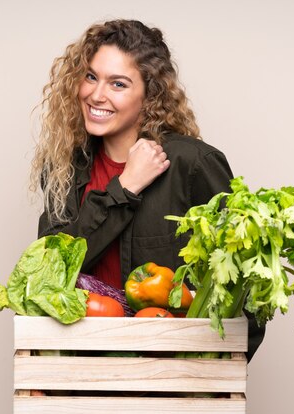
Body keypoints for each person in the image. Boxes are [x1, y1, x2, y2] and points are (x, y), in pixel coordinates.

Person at [30, 19, 264, 360]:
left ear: (149, 94)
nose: (96, 94)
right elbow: (48, 272)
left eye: (118, 84)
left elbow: (248, 285)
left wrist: (219, 379)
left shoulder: (191, 165)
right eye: (91, 76)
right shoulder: (65, 168)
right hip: (83, 371)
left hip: (172, 378)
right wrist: (124, 187)